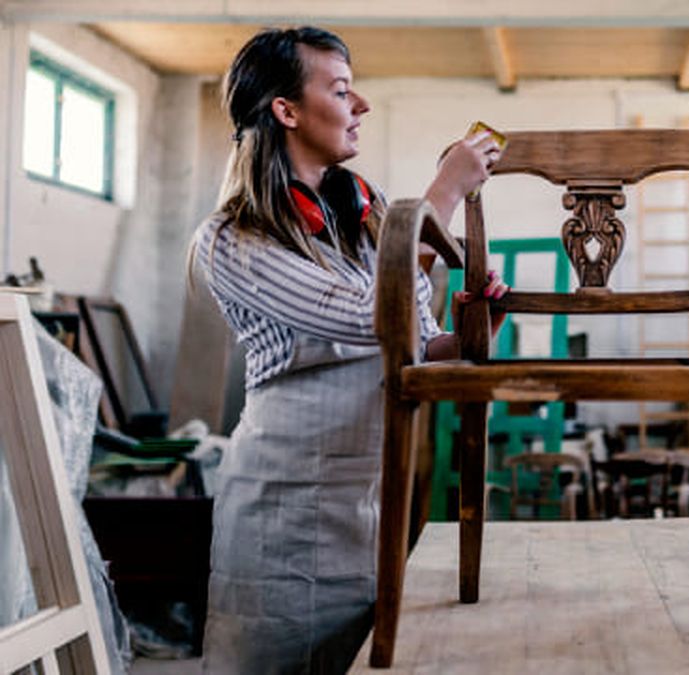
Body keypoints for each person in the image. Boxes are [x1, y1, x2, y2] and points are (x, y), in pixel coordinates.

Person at [189, 26, 506, 674]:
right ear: (286, 110)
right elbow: (372, 317)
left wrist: (476, 327)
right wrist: (440, 194)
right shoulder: (231, 239)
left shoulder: (367, 221)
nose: (359, 104)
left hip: (367, 509)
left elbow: (419, 341)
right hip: (281, 514)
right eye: (339, 89)